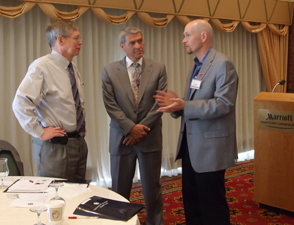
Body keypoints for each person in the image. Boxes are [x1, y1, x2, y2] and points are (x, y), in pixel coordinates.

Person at [154, 19, 238, 225]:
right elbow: (192, 105)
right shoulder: (197, 66)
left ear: (203, 36)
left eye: (187, 35)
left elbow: (224, 104)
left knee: (212, 207)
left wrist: (184, 105)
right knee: (192, 204)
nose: (183, 40)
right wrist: (177, 107)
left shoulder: (222, 64)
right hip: (191, 147)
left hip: (211, 149)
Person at [101, 27, 167, 225]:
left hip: (150, 138)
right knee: (119, 192)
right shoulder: (110, 71)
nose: (138, 46)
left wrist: (139, 130)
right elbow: (110, 105)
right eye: (132, 43)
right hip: (122, 139)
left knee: (152, 190)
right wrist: (130, 128)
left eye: (140, 41)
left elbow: (159, 104)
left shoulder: (158, 68)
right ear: (122, 46)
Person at [12, 20, 88, 180]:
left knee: (78, 197)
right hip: (55, 147)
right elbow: (20, 103)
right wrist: (40, 132)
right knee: (55, 198)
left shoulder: (72, 68)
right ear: (60, 40)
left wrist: (78, 126)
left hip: (78, 144)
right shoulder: (42, 67)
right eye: (76, 38)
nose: (80, 42)